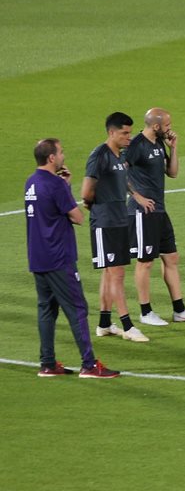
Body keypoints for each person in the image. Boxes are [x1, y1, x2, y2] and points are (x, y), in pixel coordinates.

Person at [25, 138, 116, 378]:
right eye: (61, 153)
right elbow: (77, 217)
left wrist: (62, 186)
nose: (64, 156)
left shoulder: (30, 182)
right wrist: (65, 187)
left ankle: (47, 363)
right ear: (52, 158)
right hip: (59, 258)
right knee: (77, 309)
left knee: (46, 309)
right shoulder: (55, 185)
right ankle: (89, 365)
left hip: (38, 257)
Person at [125, 107, 185, 327]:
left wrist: (174, 148)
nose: (170, 128)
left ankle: (179, 310)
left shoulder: (159, 143)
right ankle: (145, 312)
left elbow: (172, 173)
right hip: (142, 212)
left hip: (159, 210)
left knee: (171, 258)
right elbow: (119, 171)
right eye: (167, 125)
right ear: (156, 126)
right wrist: (137, 197)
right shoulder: (136, 145)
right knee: (145, 262)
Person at [82, 112, 148, 343]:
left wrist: (135, 195)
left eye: (130, 132)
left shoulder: (119, 155)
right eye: (124, 133)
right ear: (111, 132)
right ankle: (128, 325)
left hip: (119, 220)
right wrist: (99, 208)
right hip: (105, 223)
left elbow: (123, 179)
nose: (129, 137)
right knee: (116, 273)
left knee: (109, 274)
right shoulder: (99, 155)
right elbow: (86, 192)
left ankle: (103, 323)